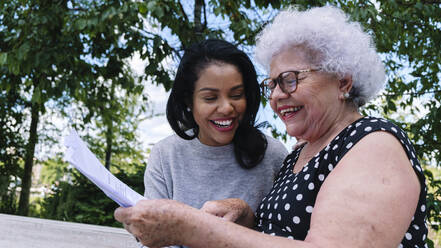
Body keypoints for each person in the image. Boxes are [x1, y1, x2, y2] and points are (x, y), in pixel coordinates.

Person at [115, 6, 428, 248]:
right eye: (272, 84)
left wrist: (190, 226)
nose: (277, 95)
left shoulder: (374, 145)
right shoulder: (299, 154)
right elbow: (280, 234)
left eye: (290, 80)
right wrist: (244, 214)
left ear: (343, 81)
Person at [143, 39, 288, 215]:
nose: (227, 108)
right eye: (210, 98)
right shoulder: (165, 155)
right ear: (189, 101)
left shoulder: (273, 155)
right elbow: (152, 234)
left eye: (236, 95)